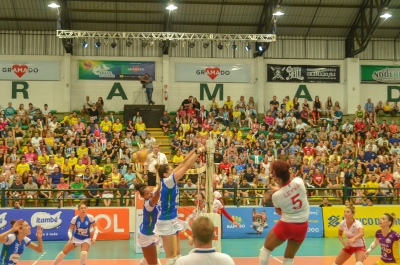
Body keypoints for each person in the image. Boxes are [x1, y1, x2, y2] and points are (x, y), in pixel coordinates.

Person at [154, 148, 201, 265]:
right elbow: (187, 167)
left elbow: (183, 163)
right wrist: (199, 151)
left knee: (178, 256)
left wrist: (195, 150)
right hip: (166, 220)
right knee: (171, 257)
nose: (173, 170)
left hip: (172, 219)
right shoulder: (168, 181)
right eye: (171, 170)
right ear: (165, 174)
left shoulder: (168, 179)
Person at [259, 160, 310, 265]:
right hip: (303, 226)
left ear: (277, 178)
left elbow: (279, 212)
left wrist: (273, 193)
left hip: (287, 225)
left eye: (273, 175)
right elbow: (290, 189)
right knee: (289, 258)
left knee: (266, 250)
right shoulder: (299, 181)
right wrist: (279, 189)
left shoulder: (276, 196)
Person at [135, 183, 162, 265]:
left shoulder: (152, 200)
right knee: (153, 263)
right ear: (142, 196)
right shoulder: (148, 204)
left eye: (150, 191)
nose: (150, 194)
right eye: (147, 193)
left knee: (147, 260)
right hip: (147, 235)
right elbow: (157, 194)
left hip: (149, 232)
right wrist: (164, 181)